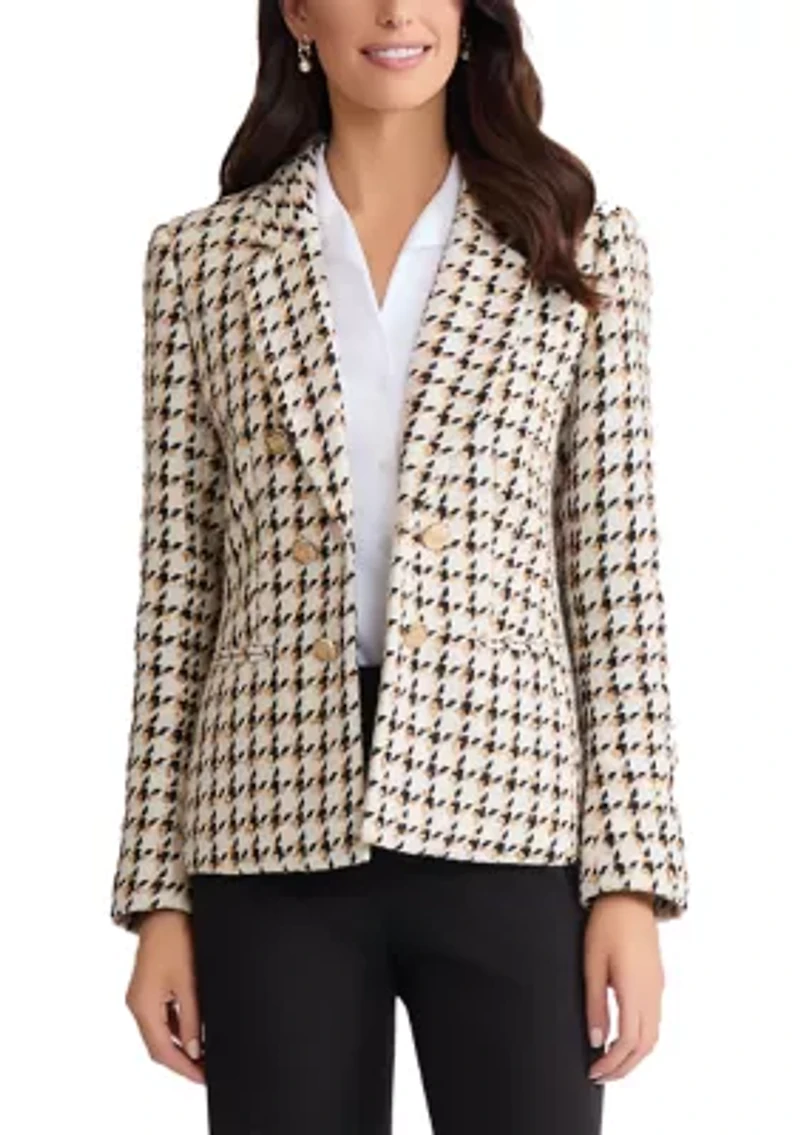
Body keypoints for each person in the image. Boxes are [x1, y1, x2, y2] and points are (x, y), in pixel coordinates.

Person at [110, 2, 690, 1132]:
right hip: (265, 827)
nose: (394, 12)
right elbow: (177, 590)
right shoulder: (201, 260)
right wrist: (157, 896)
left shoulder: (575, 242)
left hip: (513, 822)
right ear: (296, 12)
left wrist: (629, 876)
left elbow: (616, 578)